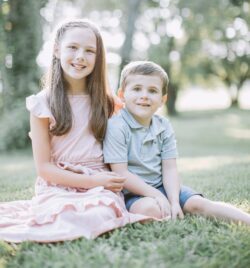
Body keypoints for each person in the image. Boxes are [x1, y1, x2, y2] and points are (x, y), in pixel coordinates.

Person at [0, 20, 149, 243]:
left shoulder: (110, 104)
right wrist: (92, 182)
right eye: (73, 47)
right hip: (58, 185)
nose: (80, 56)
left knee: (100, 213)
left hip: (102, 185)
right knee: (65, 214)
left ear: (98, 58)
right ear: (57, 50)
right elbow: (44, 168)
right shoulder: (42, 103)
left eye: (90, 51)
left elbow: (125, 154)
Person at [103, 61, 250, 225]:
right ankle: (160, 207)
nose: (144, 95)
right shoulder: (116, 126)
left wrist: (173, 201)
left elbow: (170, 168)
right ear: (122, 94)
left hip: (164, 186)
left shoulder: (163, 125)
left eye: (152, 91)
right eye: (137, 89)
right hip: (133, 192)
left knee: (198, 204)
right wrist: (156, 196)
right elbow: (121, 174)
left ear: (162, 100)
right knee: (150, 210)